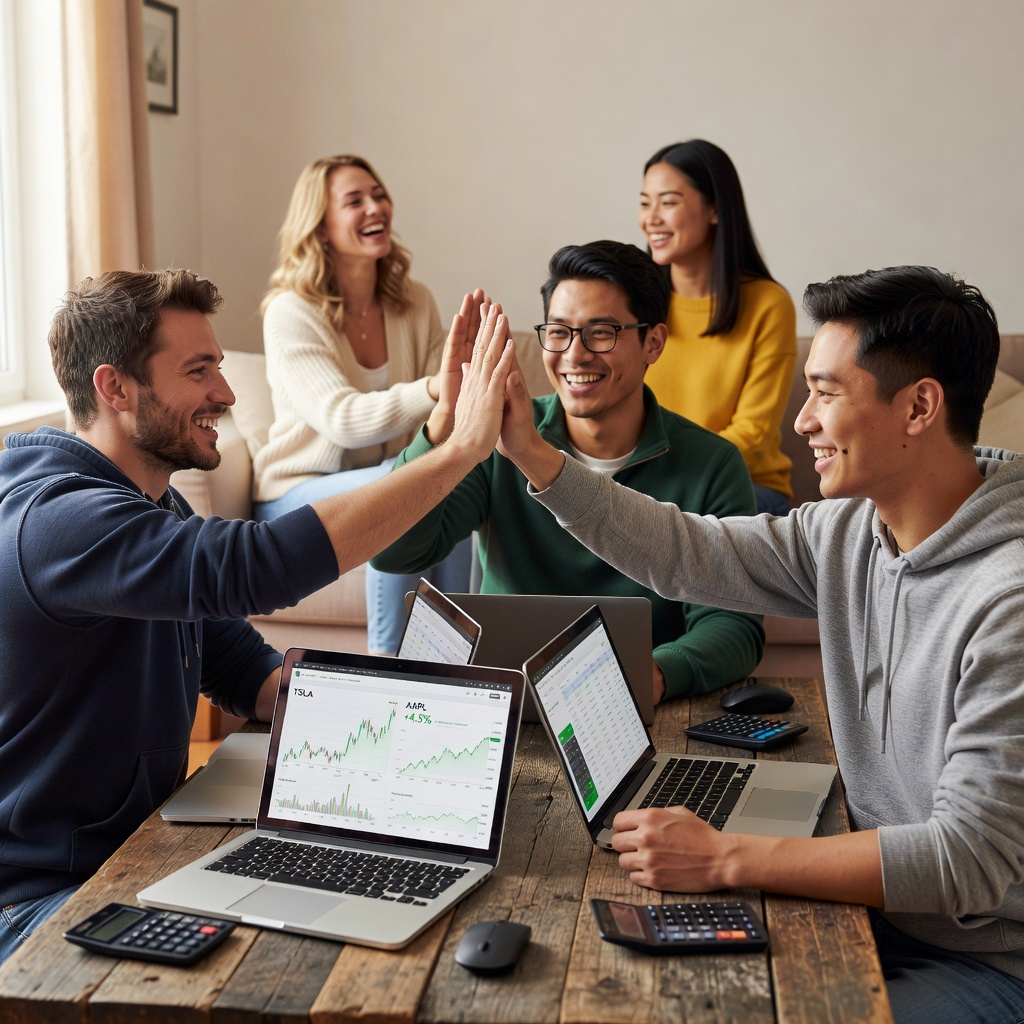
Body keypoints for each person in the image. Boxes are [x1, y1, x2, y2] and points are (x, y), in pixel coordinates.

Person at [498, 265, 1024, 1022]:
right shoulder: (851, 531)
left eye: (826, 392)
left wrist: (725, 857)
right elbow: (686, 551)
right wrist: (536, 458)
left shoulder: (1007, 599)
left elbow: (966, 859)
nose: (803, 420)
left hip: (988, 959)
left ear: (918, 407)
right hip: (883, 911)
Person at [0, 268, 514, 963]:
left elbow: (240, 664)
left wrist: (416, 740)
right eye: (198, 369)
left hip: (129, 855)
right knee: (285, 965)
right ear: (114, 387)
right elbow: (255, 567)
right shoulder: (58, 523)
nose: (226, 391)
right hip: (36, 901)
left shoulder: (148, 504)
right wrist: (458, 455)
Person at [373, 241, 764, 704]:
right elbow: (393, 553)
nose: (574, 356)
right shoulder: (497, 442)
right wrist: (443, 423)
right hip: (503, 703)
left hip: (630, 709)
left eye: (601, 333)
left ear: (653, 342)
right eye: (558, 332)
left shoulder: (712, 464)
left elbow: (733, 623)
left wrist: (654, 674)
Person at [252, 154, 472, 653]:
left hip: (389, 473)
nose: (375, 207)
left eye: (379, 194)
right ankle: (386, 664)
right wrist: (435, 389)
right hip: (295, 492)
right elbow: (342, 420)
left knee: (454, 478)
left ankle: (461, 659)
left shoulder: (415, 301)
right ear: (322, 227)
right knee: (406, 478)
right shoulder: (292, 310)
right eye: (355, 201)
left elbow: (451, 404)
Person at [639, 140, 797, 515]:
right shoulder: (636, 302)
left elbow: (752, 434)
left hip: (743, 486)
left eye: (669, 202)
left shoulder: (768, 304)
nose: (651, 218)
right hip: (640, 483)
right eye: (645, 203)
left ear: (714, 208)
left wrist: (651, 474)